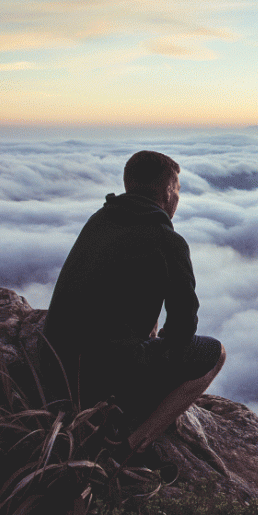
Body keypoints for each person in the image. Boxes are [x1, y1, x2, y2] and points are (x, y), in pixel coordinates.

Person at [43, 150, 226, 458]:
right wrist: (158, 345)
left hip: (54, 370)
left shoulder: (99, 220)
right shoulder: (167, 241)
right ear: (168, 193)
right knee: (215, 353)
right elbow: (184, 328)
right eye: (178, 191)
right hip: (102, 380)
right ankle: (130, 445)